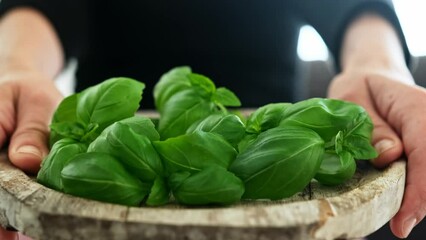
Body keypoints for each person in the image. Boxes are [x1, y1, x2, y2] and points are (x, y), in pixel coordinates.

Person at [0, 0, 423, 239]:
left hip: (262, 144)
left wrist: (377, 65)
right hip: (115, 154)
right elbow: (48, 6)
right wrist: (14, 66)